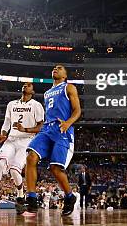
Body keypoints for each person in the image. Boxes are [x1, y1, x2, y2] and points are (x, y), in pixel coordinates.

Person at [24, 64, 82, 217]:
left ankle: (70, 196)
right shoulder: (47, 93)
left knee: (56, 169)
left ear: (65, 75)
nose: (56, 69)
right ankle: (31, 198)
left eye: (60, 68)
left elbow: (77, 110)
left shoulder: (69, 87)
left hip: (62, 130)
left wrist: (68, 123)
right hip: (47, 129)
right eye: (54, 68)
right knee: (31, 157)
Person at [0, 82, 44, 214]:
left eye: (29, 85)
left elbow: (41, 127)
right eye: (25, 84)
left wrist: (25, 129)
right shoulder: (11, 104)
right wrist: (3, 134)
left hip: (27, 141)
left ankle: (21, 196)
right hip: (11, 139)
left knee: (15, 171)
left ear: (32, 92)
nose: (25, 85)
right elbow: (6, 123)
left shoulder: (36, 105)